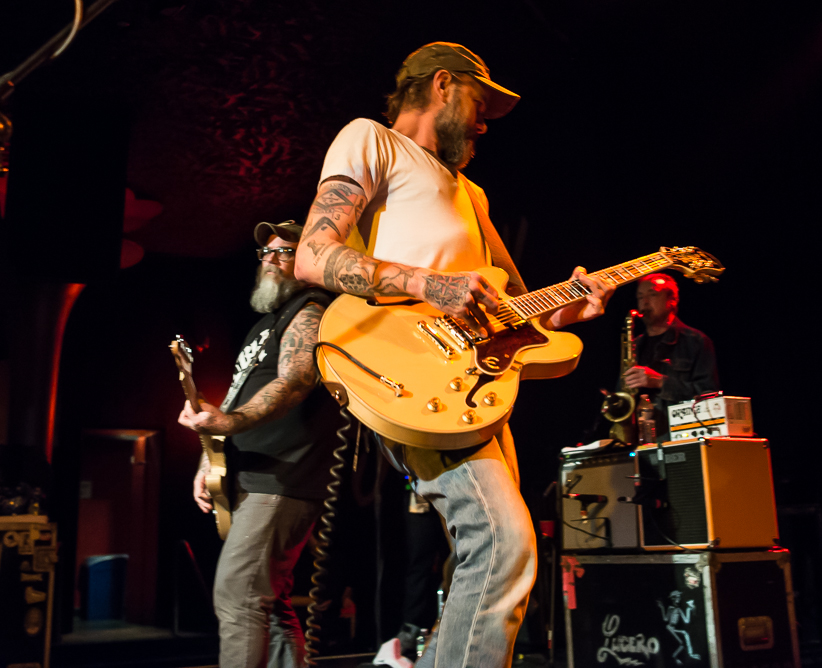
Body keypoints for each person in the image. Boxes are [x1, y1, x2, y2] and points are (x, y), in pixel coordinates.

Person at [293, 42, 614, 668]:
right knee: (504, 546)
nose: (484, 123)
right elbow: (313, 254)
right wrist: (428, 284)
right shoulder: (372, 140)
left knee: (503, 557)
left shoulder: (472, 195)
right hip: (409, 373)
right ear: (441, 84)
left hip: (475, 388)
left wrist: (567, 310)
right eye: (478, 103)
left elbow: (517, 306)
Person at [179, 220, 342, 668]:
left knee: (238, 597)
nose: (270, 259)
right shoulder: (264, 325)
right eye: (266, 252)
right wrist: (208, 460)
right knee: (266, 606)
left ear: (308, 262)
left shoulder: (310, 311)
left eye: (284, 251)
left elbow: (295, 381)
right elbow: (235, 398)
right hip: (252, 473)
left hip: (282, 476)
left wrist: (229, 421)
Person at [622, 273, 719, 420]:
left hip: (678, 429)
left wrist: (660, 381)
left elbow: (709, 396)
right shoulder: (634, 345)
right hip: (640, 431)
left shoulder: (696, 341)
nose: (644, 302)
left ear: (672, 300)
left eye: (652, 295)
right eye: (640, 297)